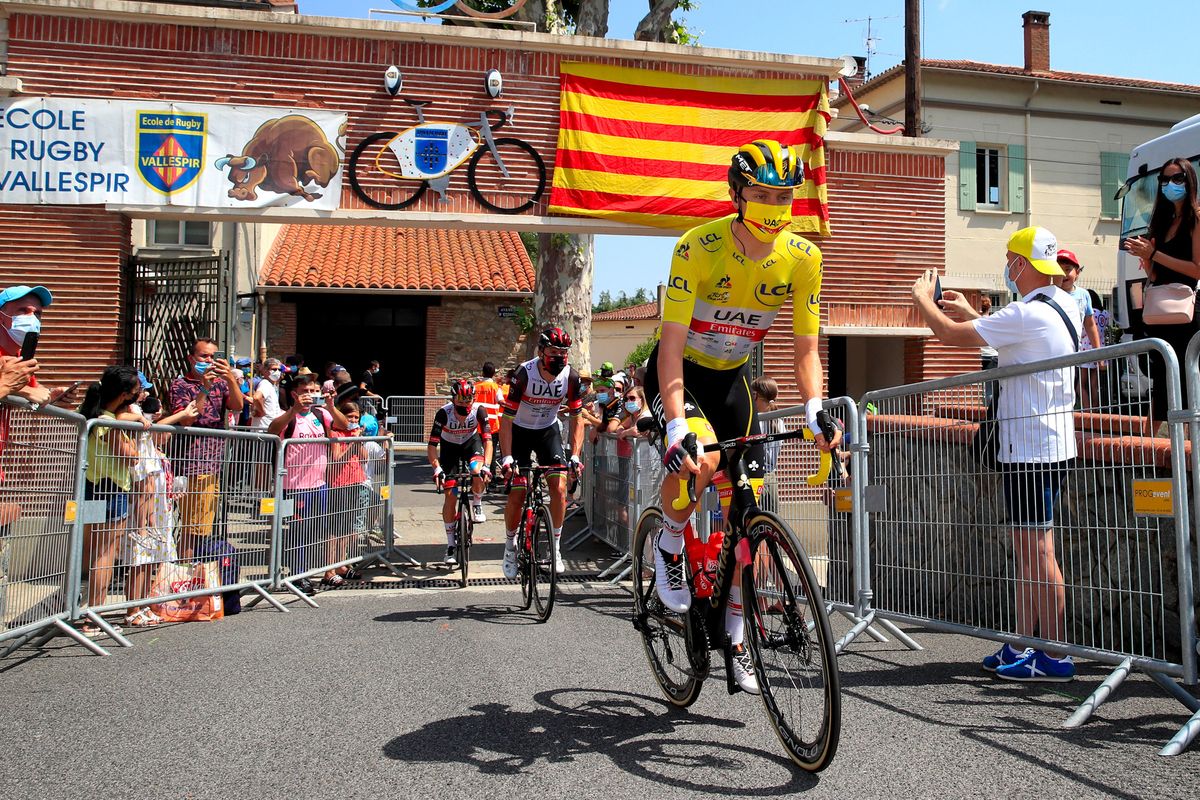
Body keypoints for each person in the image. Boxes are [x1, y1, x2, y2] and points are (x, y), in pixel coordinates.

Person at [645, 140, 837, 695]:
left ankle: (734, 630)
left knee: (749, 503)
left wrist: (816, 408)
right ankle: (671, 542)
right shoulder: (697, 248)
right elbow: (672, 347)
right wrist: (677, 423)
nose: (774, 204)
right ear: (737, 194)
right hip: (680, 374)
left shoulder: (803, 258)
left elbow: (805, 349)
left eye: (783, 194)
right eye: (762, 193)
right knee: (700, 464)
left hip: (732, 383)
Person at [916, 225, 1082, 682]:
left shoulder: (1026, 315)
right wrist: (975, 312)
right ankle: (1022, 644)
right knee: (1030, 549)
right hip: (1048, 442)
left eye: (1010, 259)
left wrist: (922, 300)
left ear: (1022, 265)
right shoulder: (1061, 302)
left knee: (1037, 549)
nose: (1006, 267)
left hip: (1029, 447)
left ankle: (1053, 653)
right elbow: (1011, 338)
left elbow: (949, 334)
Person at [499, 327, 585, 576]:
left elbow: (578, 419)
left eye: (563, 352)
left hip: (548, 431)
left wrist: (576, 456)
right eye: (553, 351)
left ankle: (556, 547)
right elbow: (506, 420)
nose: (559, 357)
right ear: (541, 351)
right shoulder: (523, 374)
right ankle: (509, 546)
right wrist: (506, 458)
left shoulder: (571, 377)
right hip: (520, 432)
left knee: (559, 489)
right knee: (518, 490)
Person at [1123, 157, 1200, 433]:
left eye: (1177, 178)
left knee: (1187, 382)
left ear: (1189, 179)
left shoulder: (1196, 218)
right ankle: (1149, 457)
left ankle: (1190, 459)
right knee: (1161, 381)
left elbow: (1196, 270)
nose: (1170, 184)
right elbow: (1158, 277)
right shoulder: (1163, 221)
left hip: (1187, 315)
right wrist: (1147, 261)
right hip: (1161, 313)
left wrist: (1154, 254)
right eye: (1164, 179)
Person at [76, 366, 147, 636]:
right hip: (110, 488)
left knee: (92, 553)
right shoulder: (109, 422)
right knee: (105, 556)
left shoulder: (91, 414)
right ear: (124, 393)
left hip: (91, 486)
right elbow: (129, 456)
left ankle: (86, 612)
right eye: (136, 389)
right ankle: (93, 616)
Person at [267, 373, 350, 595]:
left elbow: (345, 425)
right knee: (298, 533)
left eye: (313, 391)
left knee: (314, 533)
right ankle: (297, 575)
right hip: (294, 487)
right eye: (305, 391)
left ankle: (307, 573)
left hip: (318, 484)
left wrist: (332, 406)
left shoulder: (320, 413)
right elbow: (272, 430)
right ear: (294, 394)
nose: (310, 395)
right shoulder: (288, 416)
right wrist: (293, 409)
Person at [167, 337, 244, 560]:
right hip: (191, 464)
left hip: (213, 464)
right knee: (193, 529)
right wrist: (204, 388)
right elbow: (187, 419)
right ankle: (184, 573)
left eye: (213, 356)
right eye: (204, 356)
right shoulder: (180, 385)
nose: (209, 360)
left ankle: (190, 571)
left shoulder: (222, 382)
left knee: (201, 527)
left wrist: (230, 378)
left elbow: (237, 406)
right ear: (192, 358)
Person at [428, 379, 493, 565]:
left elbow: (488, 441)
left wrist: (487, 465)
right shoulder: (443, 413)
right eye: (460, 401)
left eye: (468, 400)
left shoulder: (479, 410)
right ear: (453, 399)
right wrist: (437, 468)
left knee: (477, 470)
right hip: (450, 449)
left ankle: (477, 502)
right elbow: (432, 446)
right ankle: (450, 545)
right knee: (450, 496)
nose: (465, 404)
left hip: (471, 444)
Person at [0, 284, 70, 407]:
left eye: (37, 313)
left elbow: (34, 390)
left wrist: (51, 396)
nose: (32, 318)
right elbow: (21, 389)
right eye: (23, 310)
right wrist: (10, 386)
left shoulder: (21, 356)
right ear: (1, 318)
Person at [1056, 249, 1105, 409]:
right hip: (1055, 351)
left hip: (1075, 351)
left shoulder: (1084, 295)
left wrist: (1098, 352)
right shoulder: (1050, 295)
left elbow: (1090, 324)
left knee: (1074, 388)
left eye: (1067, 269)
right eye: (1058, 269)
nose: (1063, 274)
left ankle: (1082, 418)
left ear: (1077, 273)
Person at [327, 402, 370, 586]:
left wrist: (357, 439)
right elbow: (337, 458)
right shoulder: (335, 433)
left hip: (355, 481)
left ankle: (341, 564)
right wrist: (353, 442)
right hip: (338, 483)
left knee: (346, 528)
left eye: (356, 418)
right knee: (334, 530)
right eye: (350, 417)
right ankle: (329, 569)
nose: (352, 420)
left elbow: (365, 457)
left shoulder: (354, 434)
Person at [251, 358, 285, 431]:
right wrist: (262, 412)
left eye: (279, 370)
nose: (277, 372)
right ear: (265, 371)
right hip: (263, 431)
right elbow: (257, 398)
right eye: (274, 369)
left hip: (268, 429)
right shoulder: (265, 384)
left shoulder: (272, 386)